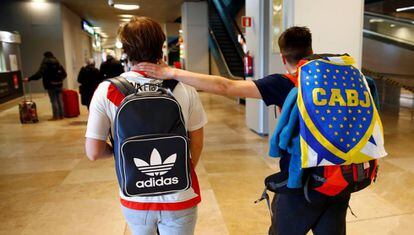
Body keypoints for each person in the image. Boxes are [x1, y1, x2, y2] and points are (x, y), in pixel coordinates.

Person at [137, 27, 352, 234]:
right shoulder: (339, 82)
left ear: (284, 59)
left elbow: (226, 87)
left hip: (302, 184)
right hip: (342, 177)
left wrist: (172, 72)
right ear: (310, 51)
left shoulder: (285, 83)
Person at [84, 16, 207, 235]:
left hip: (135, 197)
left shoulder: (106, 91)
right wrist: (179, 171)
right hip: (180, 195)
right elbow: (196, 143)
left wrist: (122, 151)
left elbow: (93, 152)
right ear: (161, 46)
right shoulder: (184, 88)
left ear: (125, 50)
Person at [26, 51, 67, 120]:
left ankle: (56, 116)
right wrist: (60, 79)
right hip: (59, 85)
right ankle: (62, 115)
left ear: (45, 56)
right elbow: (65, 74)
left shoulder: (45, 64)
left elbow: (39, 74)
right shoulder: (58, 63)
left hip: (51, 85)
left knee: (54, 100)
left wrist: (29, 78)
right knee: (60, 100)